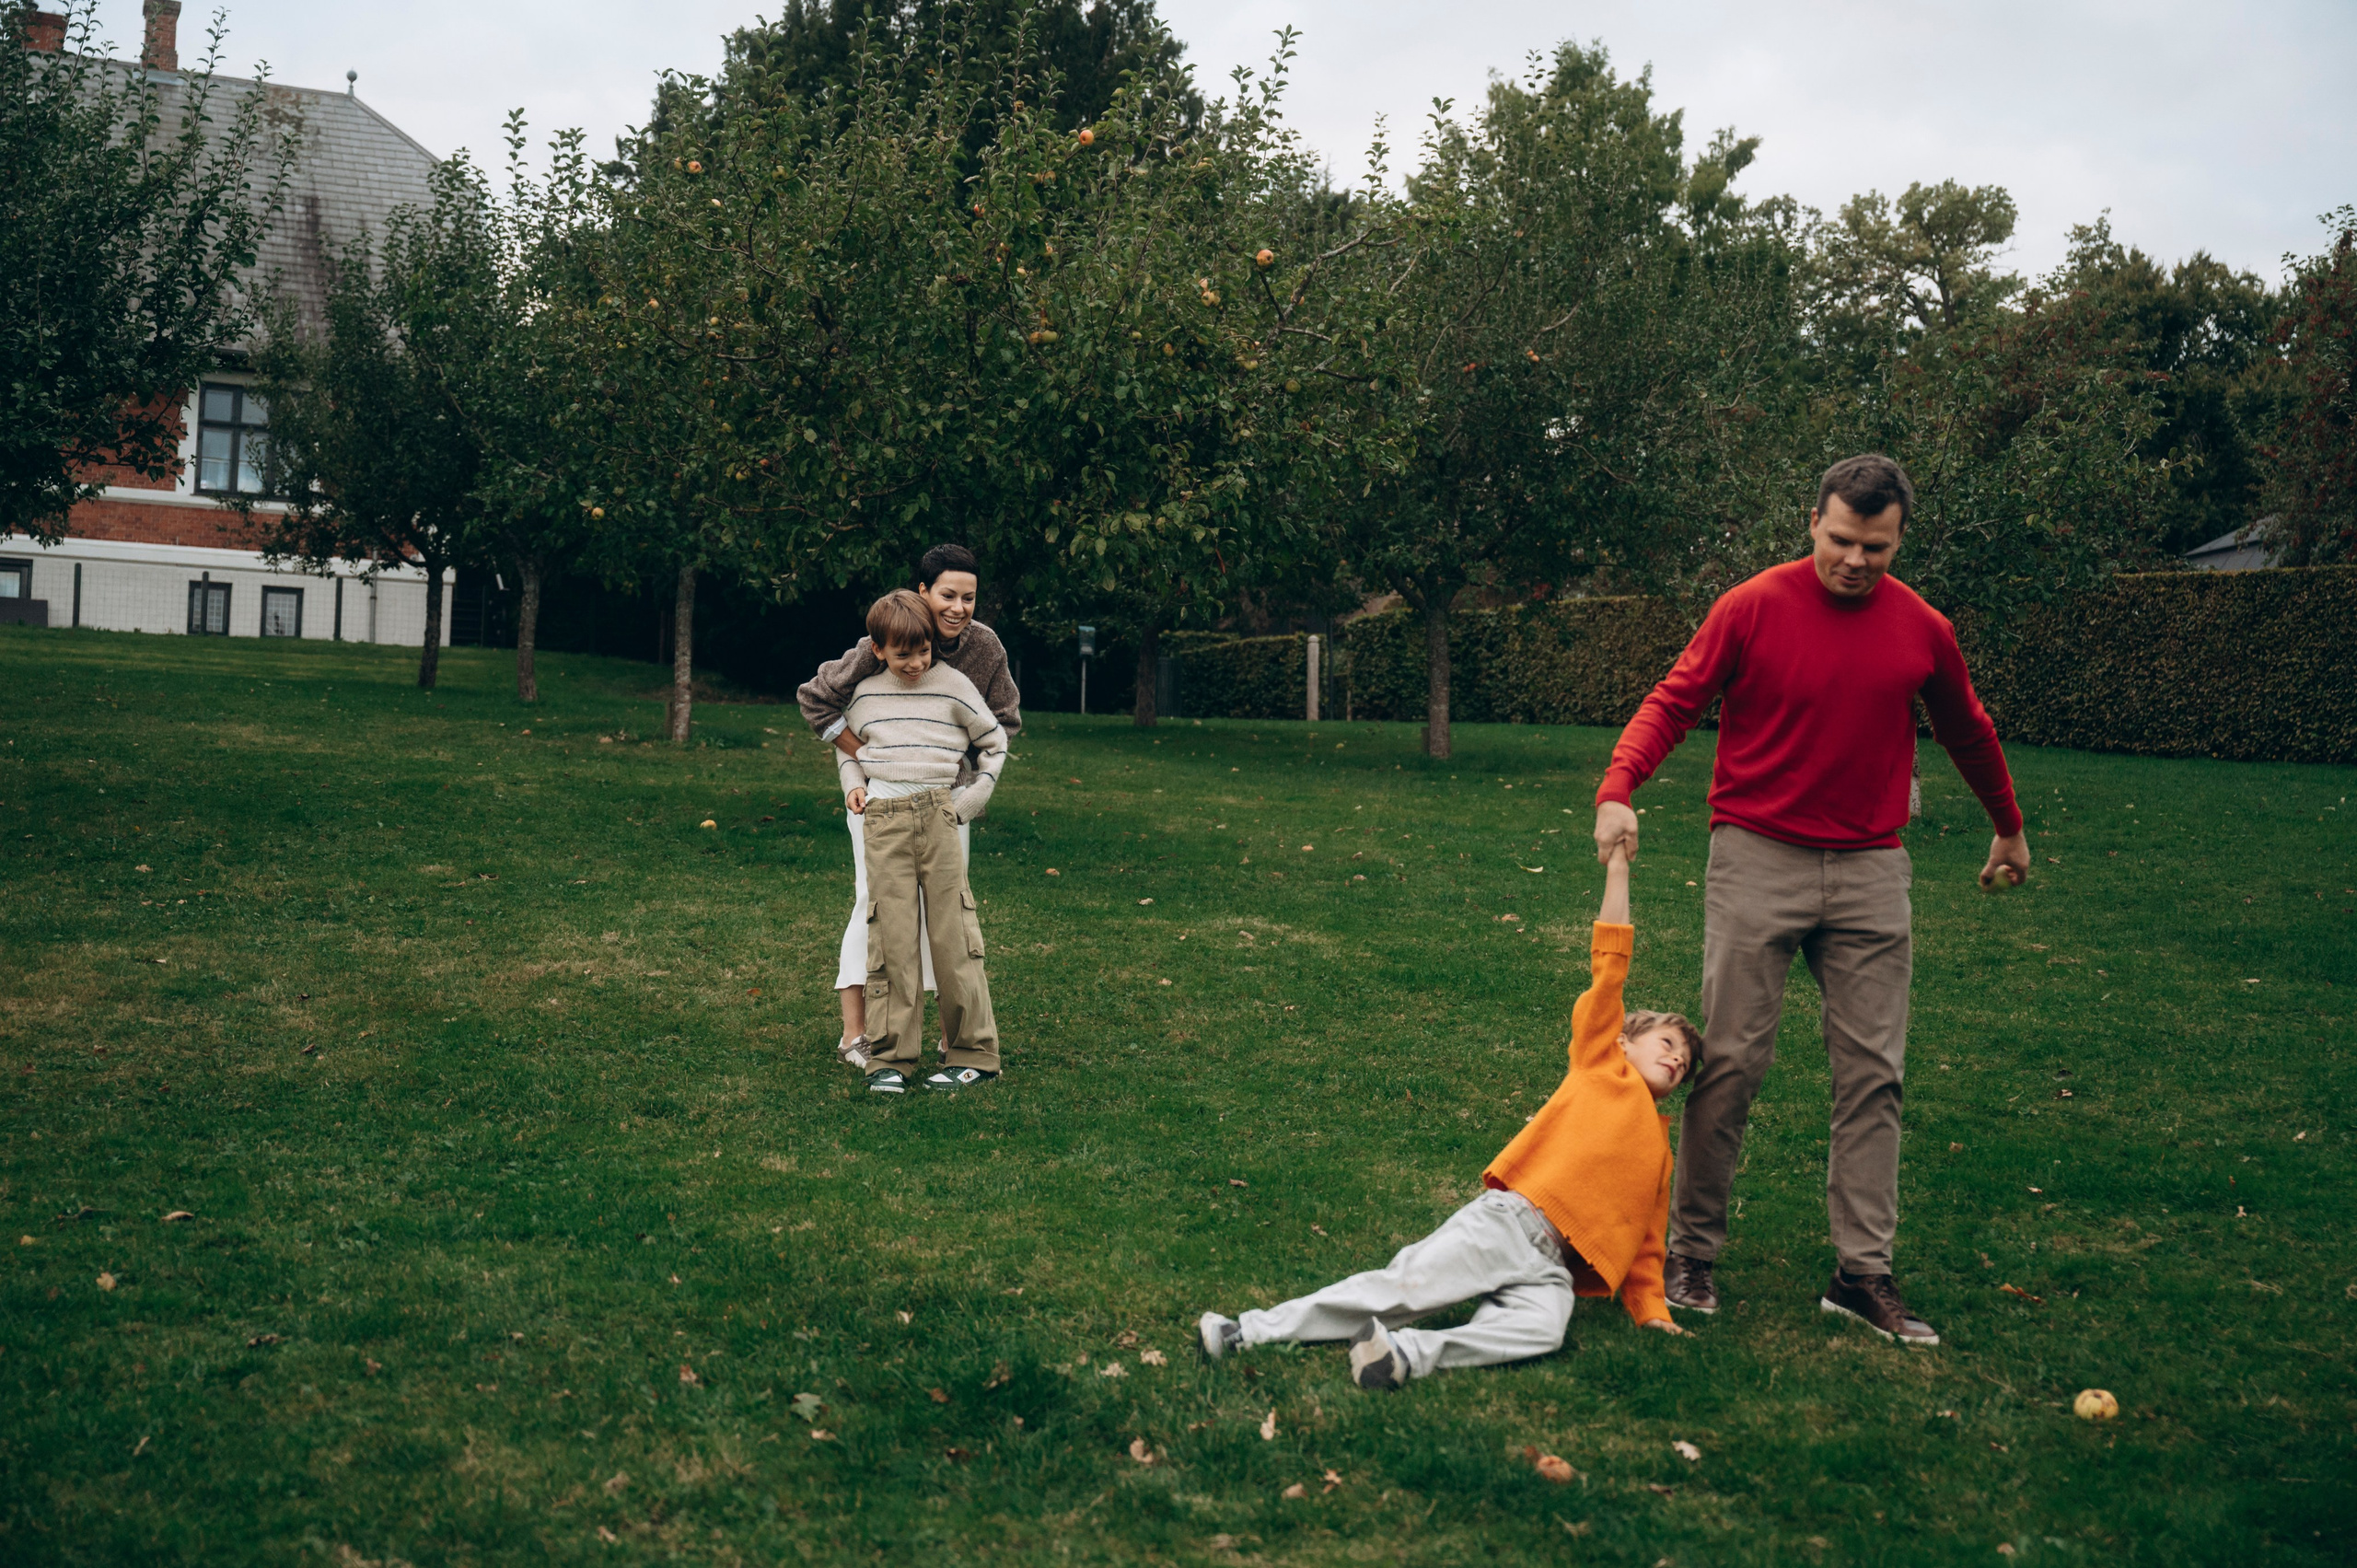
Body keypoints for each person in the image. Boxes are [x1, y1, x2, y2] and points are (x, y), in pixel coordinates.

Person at [1593, 453, 2030, 1347]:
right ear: (1812, 521)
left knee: (1873, 1073)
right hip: (1756, 857)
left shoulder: (1922, 628)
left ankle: (1860, 1273)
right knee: (1728, 1065)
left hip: (1870, 868)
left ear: (1897, 538)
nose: (1856, 560)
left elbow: (1967, 726)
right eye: (1841, 540)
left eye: (1876, 546)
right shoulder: (1751, 606)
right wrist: (1618, 783)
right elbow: (1674, 701)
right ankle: (1692, 1253)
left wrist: (2008, 826)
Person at [1194, 842, 1695, 1388]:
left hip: (1553, 1268)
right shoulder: (1601, 1064)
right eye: (1667, 1042)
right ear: (1624, 1042)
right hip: (1512, 1225)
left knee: (1543, 1330)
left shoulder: (1660, 1152)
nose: (1675, 1058)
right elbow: (1609, 969)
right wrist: (1618, 870)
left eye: (1685, 1062)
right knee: (1402, 1290)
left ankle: (1403, 1355)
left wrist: (1652, 1313)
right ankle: (1242, 1331)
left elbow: (1648, 1245)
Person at [797, 544, 1021, 1063]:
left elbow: (1002, 721)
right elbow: (823, 701)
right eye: (947, 594)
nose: (958, 608)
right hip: (879, 802)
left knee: (946, 915)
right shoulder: (883, 638)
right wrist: (863, 762)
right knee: (872, 904)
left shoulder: (984, 648)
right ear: (924, 592)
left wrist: (960, 780)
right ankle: (858, 1033)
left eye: (968, 597)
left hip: (947, 799)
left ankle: (953, 1035)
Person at [830, 589, 1007, 1093]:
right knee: (892, 937)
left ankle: (973, 1054)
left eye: (924, 651)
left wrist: (971, 800)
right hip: (883, 819)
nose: (915, 663)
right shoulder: (865, 693)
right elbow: (850, 750)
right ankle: (890, 1058)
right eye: (903, 654)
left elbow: (995, 742)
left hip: (939, 814)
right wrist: (853, 784)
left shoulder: (954, 685)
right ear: (879, 649)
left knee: (953, 935)